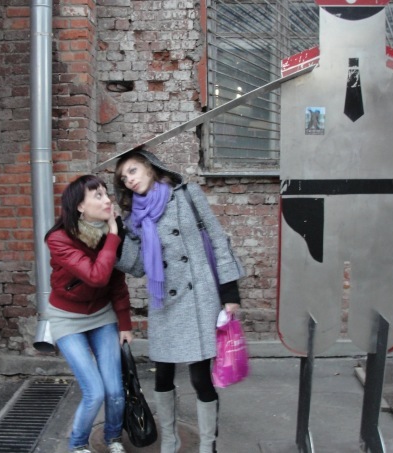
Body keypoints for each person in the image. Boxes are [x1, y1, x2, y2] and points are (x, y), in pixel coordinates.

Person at [109, 149, 245, 453]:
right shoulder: (133, 218)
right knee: (162, 377)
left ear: (149, 166)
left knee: (200, 378)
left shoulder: (186, 195)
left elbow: (217, 237)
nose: (129, 180)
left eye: (132, 170)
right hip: (164, 303)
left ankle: (208, 445)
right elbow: (138, 266)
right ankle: (170, 442)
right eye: (123, 177)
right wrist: (117, 238)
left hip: (198, 298)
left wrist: (229, 292)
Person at [44, 174, 134, 453]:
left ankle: (113, 438)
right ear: (80, 206)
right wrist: (113, 237)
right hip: (67, 318)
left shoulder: (110, 234)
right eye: (98, 195)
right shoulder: (59, 239)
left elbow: (116, 282)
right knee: (94, 392)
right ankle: (78, 444)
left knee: (115, 390)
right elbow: (96, 276)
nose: (107, 200)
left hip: (101, 314)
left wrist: (124, 323)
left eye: (106, 194)